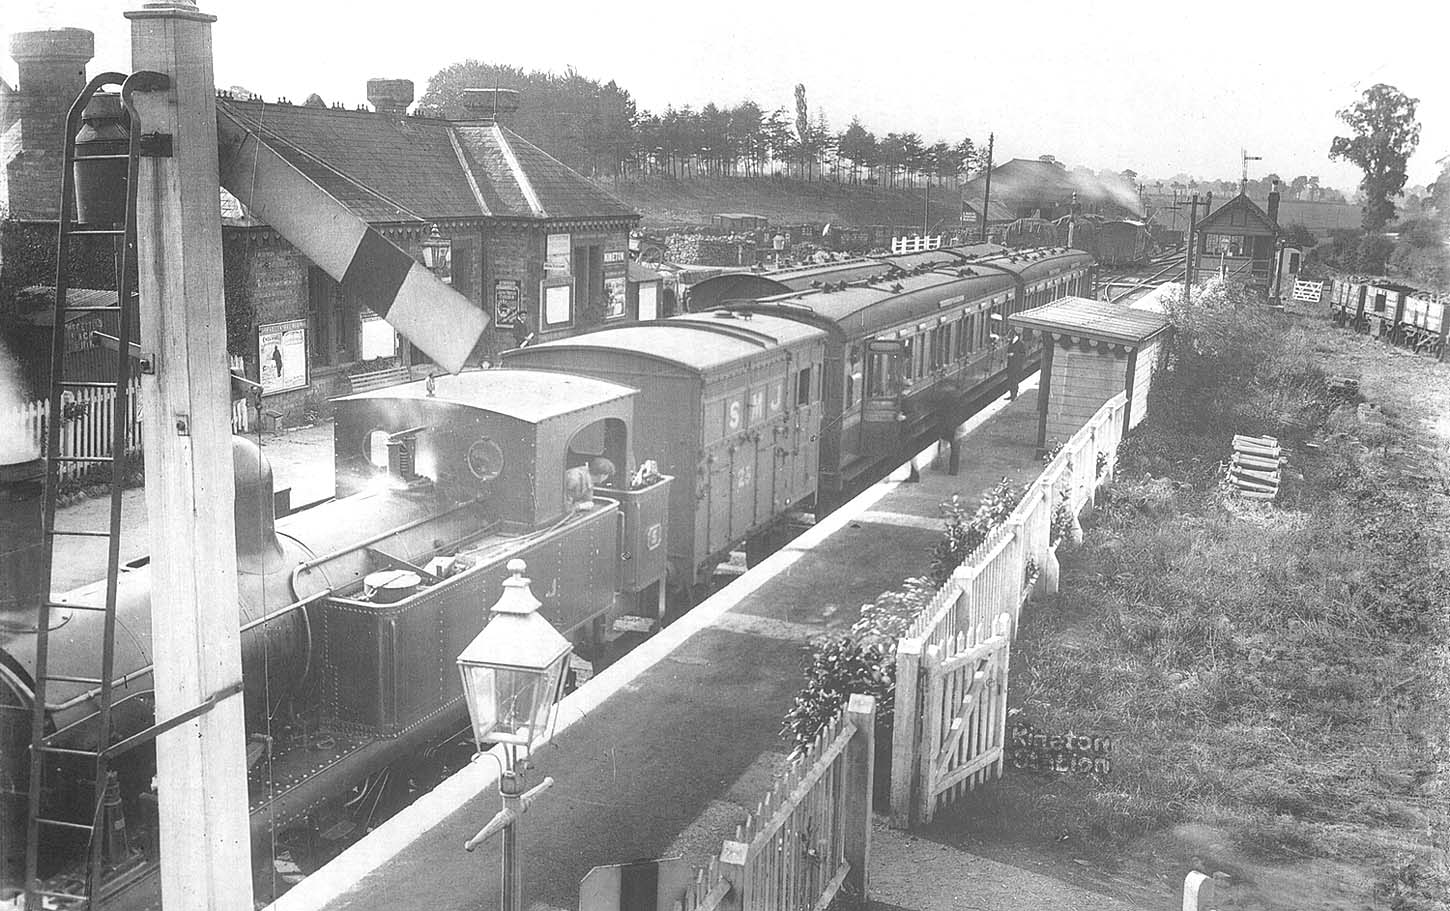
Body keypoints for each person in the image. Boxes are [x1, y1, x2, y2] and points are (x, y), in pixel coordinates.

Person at [1006, 331, 1027, 400]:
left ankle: (1014, 395)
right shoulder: (1011, 342)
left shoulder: (1020, 344)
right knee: (1010, 380)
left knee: (1015, 380)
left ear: (1014, 335)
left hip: (1016, 366)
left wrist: (1014, 355)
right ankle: (1011, 394)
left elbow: (1023, 355)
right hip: (1010, 365)